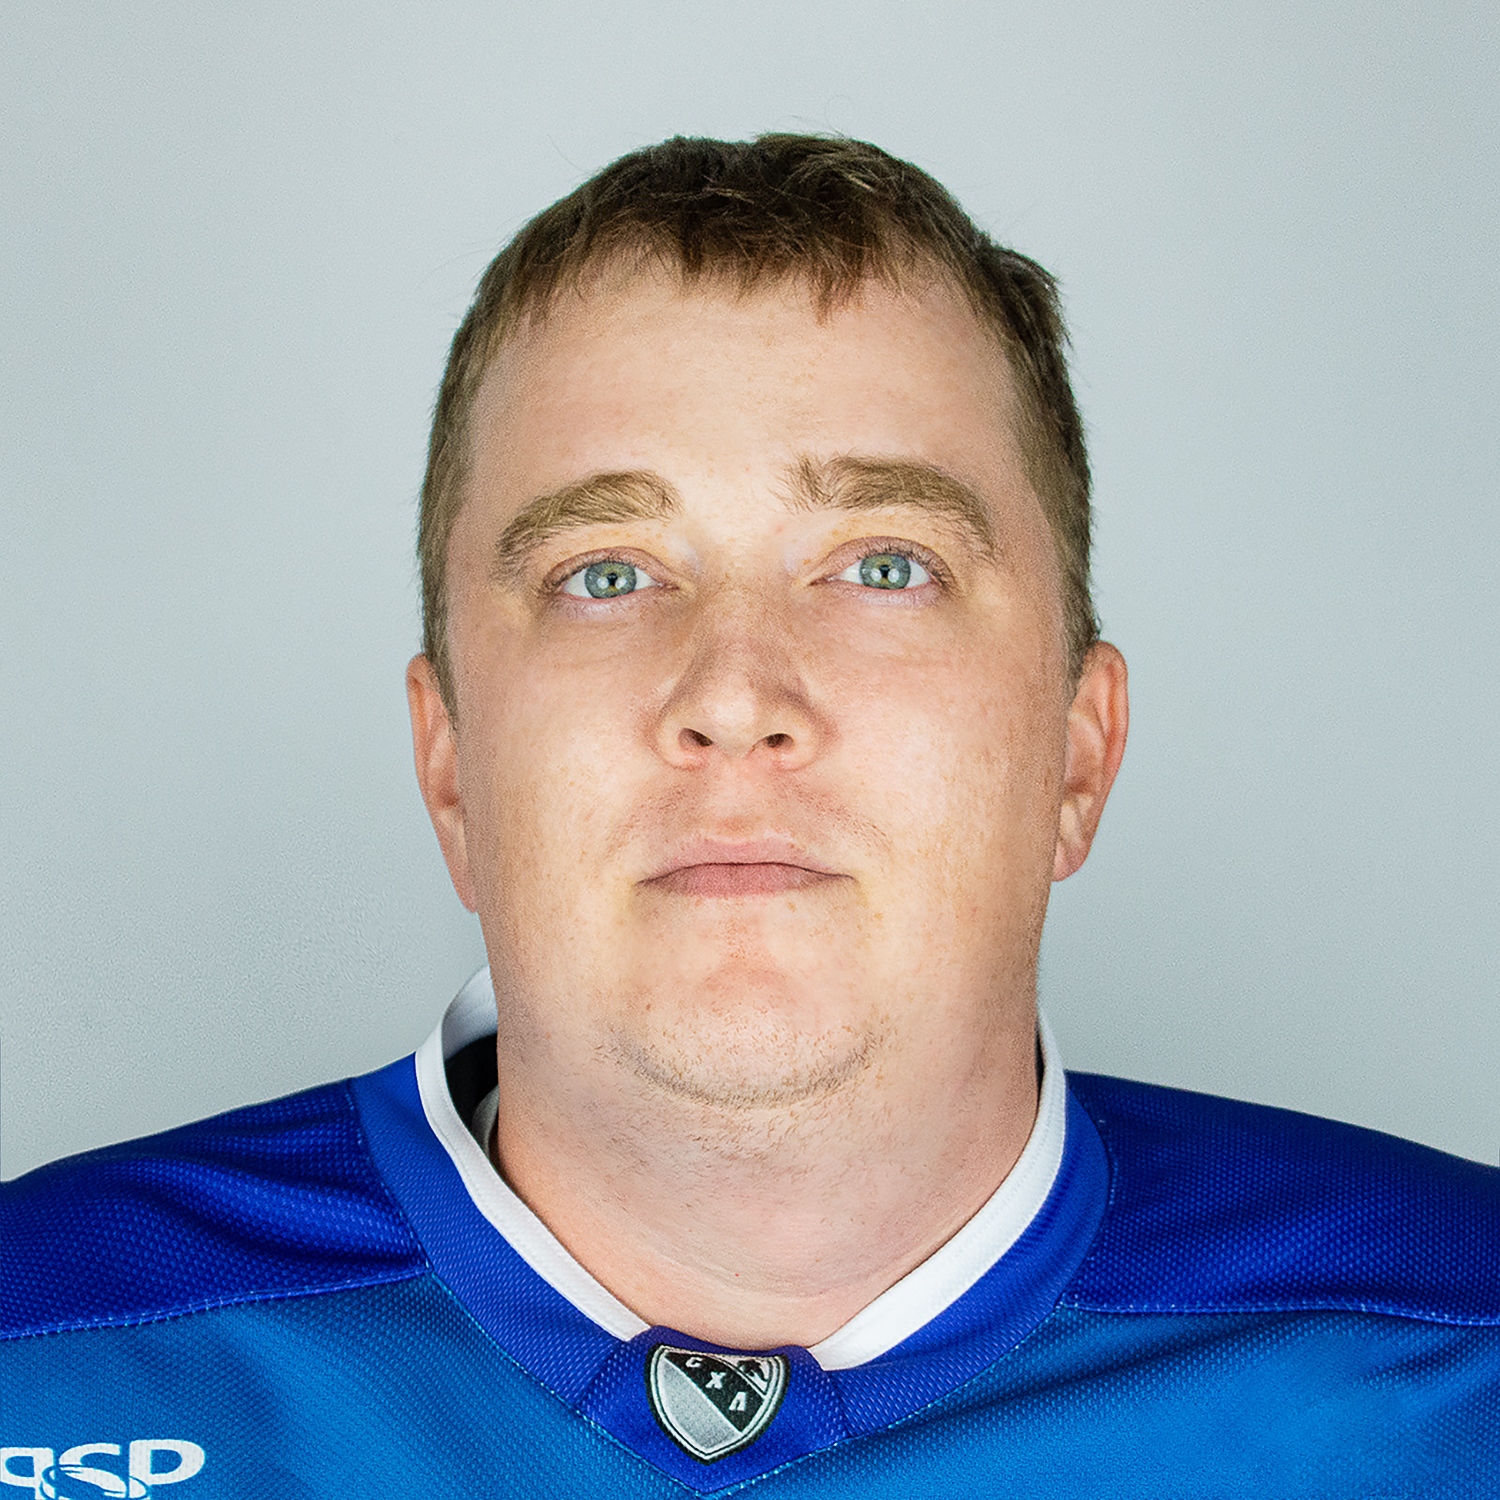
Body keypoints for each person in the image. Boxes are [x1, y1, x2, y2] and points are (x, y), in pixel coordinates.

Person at [2, 134, 1496, 1498]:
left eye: (884, 565)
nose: (733, 694)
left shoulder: (1456, 1363)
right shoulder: (42, 1356)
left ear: (1075, 757)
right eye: (605, 573)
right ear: (451, 767)